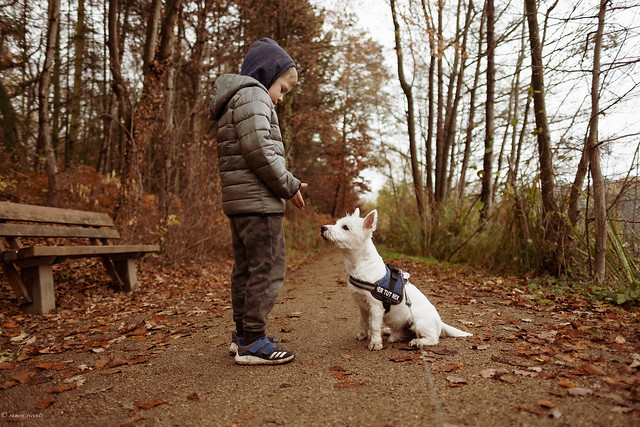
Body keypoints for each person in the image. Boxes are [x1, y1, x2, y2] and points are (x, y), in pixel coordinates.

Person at [209, 38, 307, 365]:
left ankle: (243, 335)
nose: (279, 98)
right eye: (282, 89)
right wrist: (289, 185)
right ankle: (253, 341)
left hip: (239, 203)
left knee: (246, 270)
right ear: (268, 74)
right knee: (267, 267)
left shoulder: (234, 100)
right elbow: (260, 151)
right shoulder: (254, 96)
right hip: (259, 203)